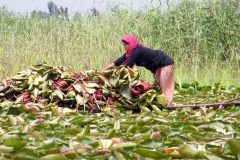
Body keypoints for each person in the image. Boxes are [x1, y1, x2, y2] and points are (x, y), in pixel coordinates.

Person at [101, 34, 174, 106]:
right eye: (123, 45)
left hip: (165, 63)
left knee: (166, 86)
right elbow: (117, 62)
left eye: (125, 45)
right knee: (160, 85)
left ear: (130, 44)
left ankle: (168, 106)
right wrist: (102, 71)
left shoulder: (137, 51)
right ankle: (164, 104)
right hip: (156, 67)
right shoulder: (129, 53)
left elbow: (128, 66)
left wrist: (116, 78)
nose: (124, 47)